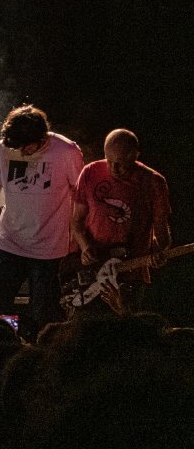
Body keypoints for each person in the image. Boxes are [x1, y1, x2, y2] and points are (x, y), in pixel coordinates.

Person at [0, 105, 83, 339]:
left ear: (42, 138)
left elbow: (81, 200)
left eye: (27, 147)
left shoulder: (67, 151)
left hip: (50, 252)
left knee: (45, 316)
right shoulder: (3, 149)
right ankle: (7, 347)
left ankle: (37, 354)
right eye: (17, 148)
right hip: (9, 245)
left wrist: (76, 242)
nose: (22, 153)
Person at [69, 128, 171, 314]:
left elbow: (161, 232)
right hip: (93, 271)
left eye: (120, 163)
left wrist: (158, 252)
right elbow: (76, 222)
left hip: (131, 273)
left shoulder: (154, 182)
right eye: (108, 160)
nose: (113, 168)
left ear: (135, 156)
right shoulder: (90, 172)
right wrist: (84, 247)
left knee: (125, 326)